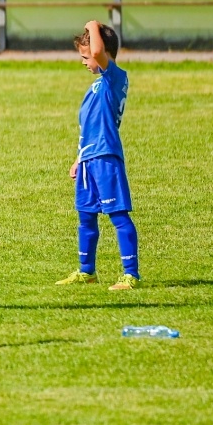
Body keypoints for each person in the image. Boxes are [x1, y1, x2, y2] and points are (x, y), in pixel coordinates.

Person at [57, 20, 140, 291]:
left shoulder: (113, 77)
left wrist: (93, 25)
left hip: (106, 158)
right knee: (86, 216)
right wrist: (79, 158)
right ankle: (87, 271)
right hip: (90, 159)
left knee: (118, 215)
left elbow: (98, 54)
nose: (84, 61)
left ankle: (131, 274)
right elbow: (89, 127)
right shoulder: (93, 88)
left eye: (85, 55)